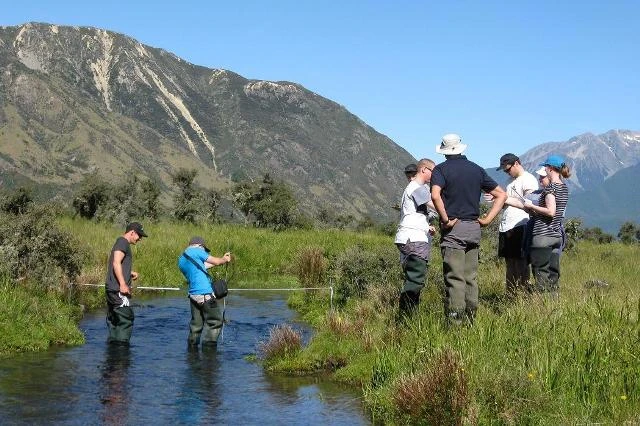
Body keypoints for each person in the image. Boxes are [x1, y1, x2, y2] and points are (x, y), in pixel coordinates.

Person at [430, 134, 506, 325]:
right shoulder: (477, 170)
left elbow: (435, 195)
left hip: (454, 229)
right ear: (461, 148)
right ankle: (471, 320)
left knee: (455, 278)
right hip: (474, 228)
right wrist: (487, 219)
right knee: (470, 277)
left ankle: (455, 324)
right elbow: (501, 195)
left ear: (445, 151)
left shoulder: (440, 170)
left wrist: (446, 219)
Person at [521, 155, 570, 294]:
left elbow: (550, 211)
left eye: (545, 168)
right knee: (553, 273)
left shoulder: (551, 188)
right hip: (556, 235)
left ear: (549, 169)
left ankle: (542, 306)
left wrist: (531, 206)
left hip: (542, 234)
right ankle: (554, 304)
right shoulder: (564, 187)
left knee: (540, 273)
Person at [394, 158, 437, 316]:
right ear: (424, 169)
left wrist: (427, 227)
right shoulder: (417, 187)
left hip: (409, 237)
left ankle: (406, 317)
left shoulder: (414, 188)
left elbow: (414, 213)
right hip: (414, 239)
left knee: (412, 279)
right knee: (415, 281)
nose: (434, 174)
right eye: (433, 171)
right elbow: (435, 204)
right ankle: (407, 320)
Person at [493, 153, 538, 296]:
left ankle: (523, 293)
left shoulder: (528, 180)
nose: (507, 172)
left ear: (517, 163)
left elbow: (531, 204)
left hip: (521, 224)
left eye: (508, 169)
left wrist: (505, 200)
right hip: (507, 225)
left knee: (521, 262)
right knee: (510, 262)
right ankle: (511, 294)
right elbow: (506, 204)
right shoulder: (509, 181)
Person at [178, 236, 232, 349]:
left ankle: (192, 351)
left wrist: (221, 261)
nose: (204, 252)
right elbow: (216, 261)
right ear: (200, 245)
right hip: (205, 295)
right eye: (204, 249)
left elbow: (203, 266)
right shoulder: (197, 251)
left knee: (196, 326)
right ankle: (209, 353)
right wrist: (224, 259)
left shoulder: (182, 259)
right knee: (215, 322)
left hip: (193, 296)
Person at [105, 222, 147, 344]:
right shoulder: (122, 242)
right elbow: (116, 263)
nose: (140, 239)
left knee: (114, 321)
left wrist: (129, 272)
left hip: (112, 289)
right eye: (139, 235)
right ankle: (121, 354)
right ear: (132, 232)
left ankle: (113, 354)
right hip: (118, 290)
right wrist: (123, 284)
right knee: (126, 319)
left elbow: (118, 263)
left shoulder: (120, 242)